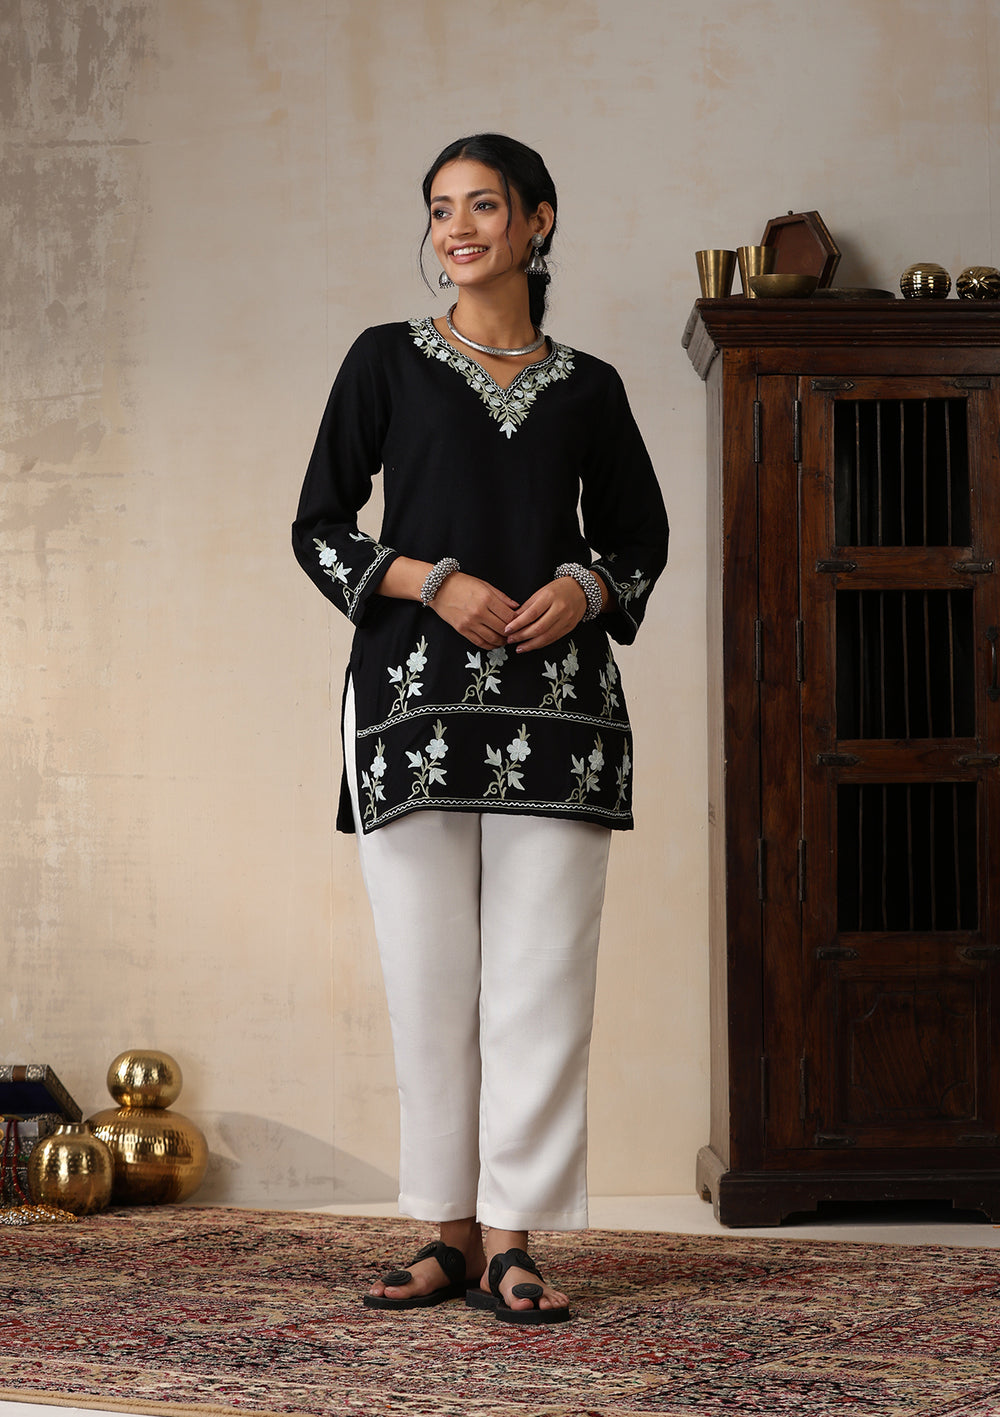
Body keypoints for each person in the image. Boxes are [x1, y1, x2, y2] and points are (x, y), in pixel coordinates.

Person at [293, 134, 668, 1325]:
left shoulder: (591, 386)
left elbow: (640, 540)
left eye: (483, 206)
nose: (456, 229)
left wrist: (587, 589)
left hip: (560, 716)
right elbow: (317, 527)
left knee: (540, 984)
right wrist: (429, 581)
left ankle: (512, 1239)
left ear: (537, 221)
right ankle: (444, 1233)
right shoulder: (384, 361)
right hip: (409, 711)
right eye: (440, 209)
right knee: (428, 982)